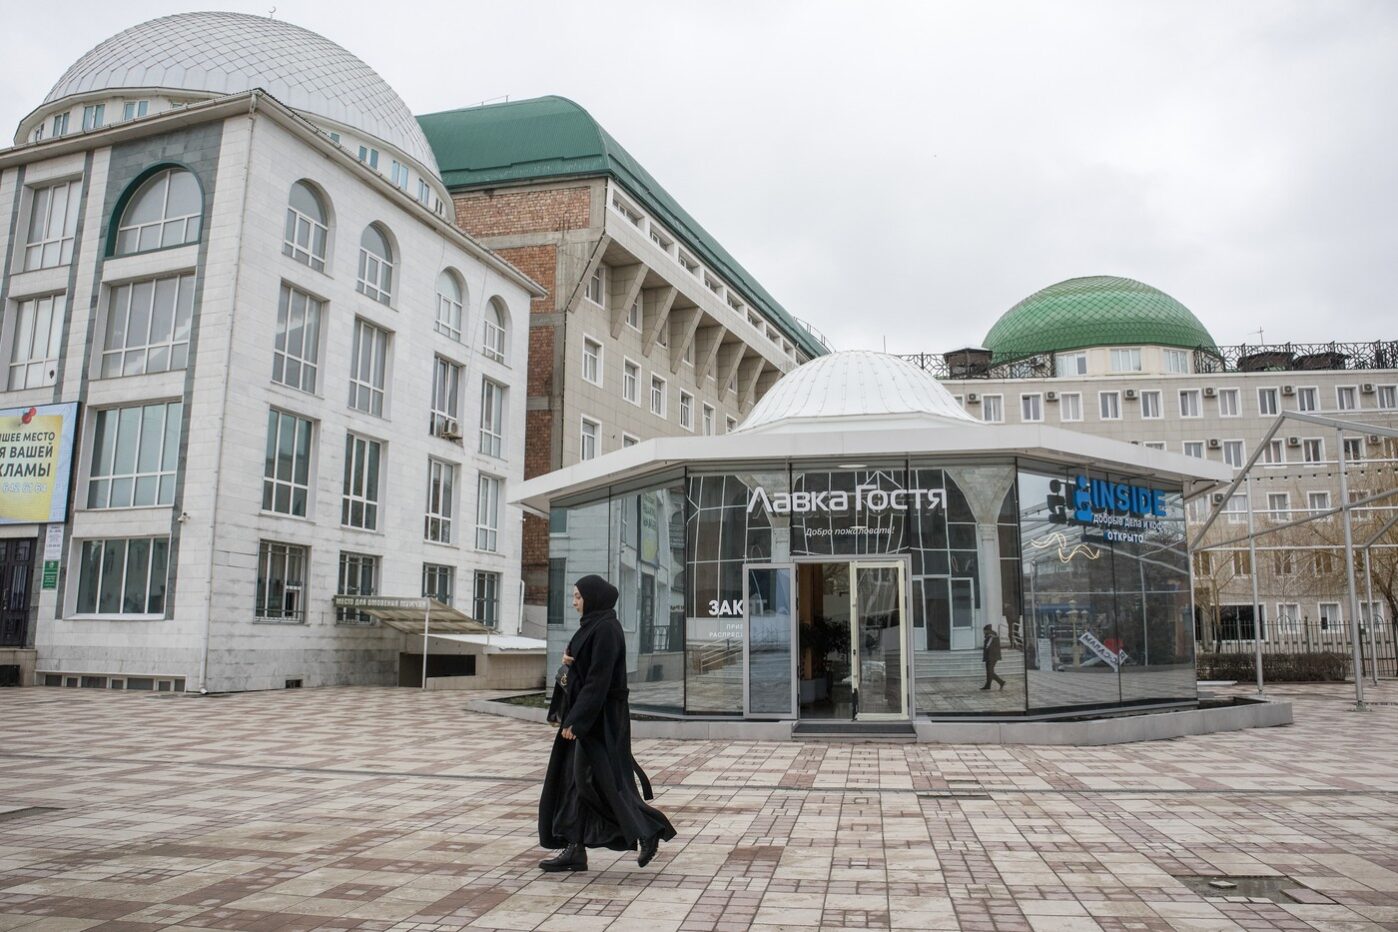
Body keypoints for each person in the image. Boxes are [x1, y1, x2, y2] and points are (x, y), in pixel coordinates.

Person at [537, 575, 676, 873]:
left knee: (596, 783)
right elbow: (580, 675)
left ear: (593, 598)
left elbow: (598, 682)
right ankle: (575, 848)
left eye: (578, 596)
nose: (574, 602)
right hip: (589, 718)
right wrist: (568, 667)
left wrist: (577, 720)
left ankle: (647, 829)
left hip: (601, 722)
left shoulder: (606, 630)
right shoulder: (591, 627)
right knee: (574, 783)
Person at [981, 623, 1005, 690]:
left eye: (984, 631)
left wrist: (986, 654)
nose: (983, 632)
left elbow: (987, 646)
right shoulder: (992, 635)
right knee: (989, 671)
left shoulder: (991, 636)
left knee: (990, 671)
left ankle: (1001, 682)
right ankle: (988, 685)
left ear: (987, 630)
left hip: (991, 657)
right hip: (991, 656)